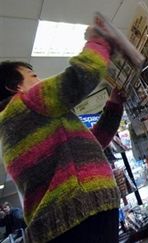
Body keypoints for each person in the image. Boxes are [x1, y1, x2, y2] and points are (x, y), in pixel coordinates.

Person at [0, 26, 124, 242]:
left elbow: (91, 145)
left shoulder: (13, 128)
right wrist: (100, 41)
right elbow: (79, 77)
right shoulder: (27, 103)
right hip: (82, 213)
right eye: (33, 76)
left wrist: (113, 106)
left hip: (63, 225)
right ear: (14, 87)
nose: (40, 81)